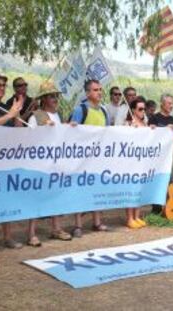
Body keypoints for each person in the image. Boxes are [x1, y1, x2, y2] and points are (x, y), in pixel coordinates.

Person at [26, 81, 73, 246]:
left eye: (56, 96)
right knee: (36, 198)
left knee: (56, 196)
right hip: (40, 164)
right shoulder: (36, 116)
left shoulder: (58, 115)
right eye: (52, 96)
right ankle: (31, 233)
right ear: (44, 99)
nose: (55, 99)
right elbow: (29, 140)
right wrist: (43, 130)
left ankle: (56, 229)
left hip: (56, 163)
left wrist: (68, 127)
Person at [70, 79, 110, 237]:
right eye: (95, 90)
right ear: (87, 93)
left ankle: (97, 222)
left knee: (97, 189)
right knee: (80, 190)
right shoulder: (80, 109)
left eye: (100, 89)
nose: (99, 92)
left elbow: (108, 132)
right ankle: (78, 225)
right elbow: (72, 132)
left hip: (98, 157)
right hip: (82, 158)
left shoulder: (104, 111)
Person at [0, 71, 24, 248]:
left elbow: (15, 131)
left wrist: (16, 115)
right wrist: (10, 115)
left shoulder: (5, 107)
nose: (2, 88)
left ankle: (7, 236)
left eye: (4, 85)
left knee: (5, 197)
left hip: (4, 161)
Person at [148, 93, 173, 214]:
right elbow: (150, 135)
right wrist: (165, 129)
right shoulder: (154, 118)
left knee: (171, 182)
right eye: (169, 103)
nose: (171, 106)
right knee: (158, 181)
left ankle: (170, 207)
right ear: (162, 104)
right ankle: (156, 208)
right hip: (157, 157)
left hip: (170, 155)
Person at [124, 97, 148, 228]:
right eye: (140, 109)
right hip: (131, 162)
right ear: (133, 110)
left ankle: (137, 216)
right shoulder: (128, 123)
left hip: (143, 161)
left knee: (140, 189)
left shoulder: (145, 123)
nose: (143, 111)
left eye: (144, 109)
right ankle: (129, 218)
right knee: (131, 189)